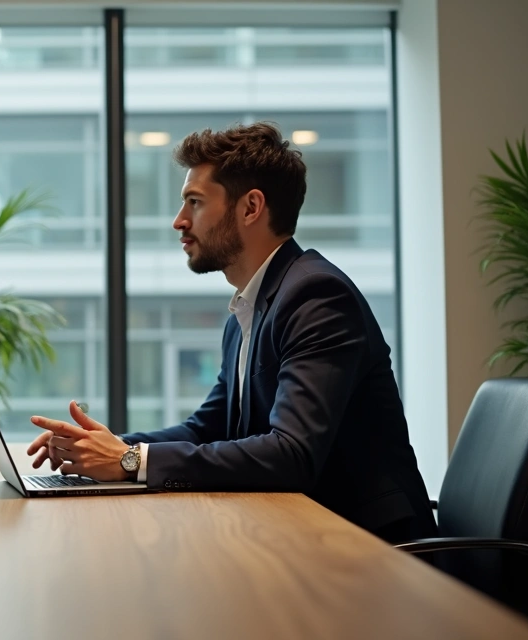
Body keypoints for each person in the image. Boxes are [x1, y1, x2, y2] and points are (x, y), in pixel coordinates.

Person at [26, 123, 437, 542]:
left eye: (194, 202)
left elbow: (291, 454)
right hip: (300, 534)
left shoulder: (317, 297)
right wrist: (103, 446)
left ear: (250, 207)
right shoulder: (249, 308)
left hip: (372, 549)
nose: (179, 221)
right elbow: (206, 430)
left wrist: (131, 460)